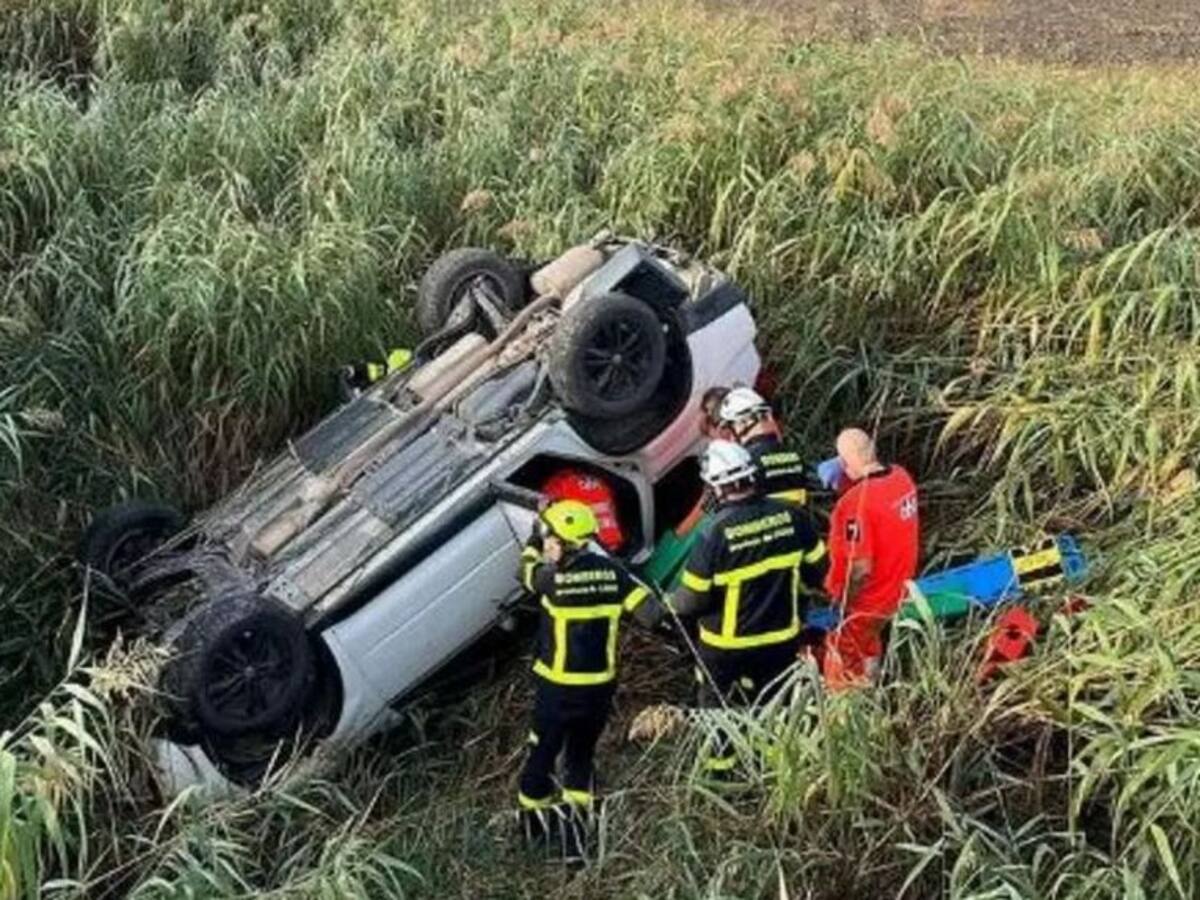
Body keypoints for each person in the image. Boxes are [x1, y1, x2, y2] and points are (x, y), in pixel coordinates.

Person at [638, 441, 828, 773]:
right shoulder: (793, 517)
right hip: (782, 638)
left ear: (715, 486)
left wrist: (665, 606)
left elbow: (692, 599)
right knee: (776, 702)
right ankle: (777, 767)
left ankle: (722, 772)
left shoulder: (714, 535)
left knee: (718, 711)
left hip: (726, 647)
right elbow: (818, 572)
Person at [516, 499, 653, 854]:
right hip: (598, 691)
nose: (546, 542)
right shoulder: (614, 574)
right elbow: (651, 614)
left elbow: (526, 569)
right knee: (580, 760)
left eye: (549, 536)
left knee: (541, 760)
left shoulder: (552, 579)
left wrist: (532, 537)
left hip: (557, 690)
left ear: (563, 543)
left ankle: (534, 836)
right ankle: (576, 846)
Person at [822, 428, 919, 689]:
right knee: (869, 645)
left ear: (844, 463)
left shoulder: (854, 505)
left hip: (865, 602)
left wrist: (844, 604)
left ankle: (845, 715)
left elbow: (861, 569)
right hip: (897, 592)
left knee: (841, 660)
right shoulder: (901, 478)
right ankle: (872, 686)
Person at [718, 387, 814, 507]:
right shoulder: (796, 456)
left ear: (743, 424)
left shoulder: (743, 467)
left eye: (732, 427)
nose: (731, 437)